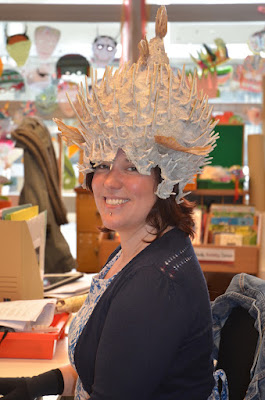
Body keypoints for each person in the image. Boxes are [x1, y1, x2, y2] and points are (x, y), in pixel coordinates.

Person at [0, 6, 219, 400]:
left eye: (132, 165)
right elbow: (96, 367)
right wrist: (35, 385)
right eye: (101, 163)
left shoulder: (153, 284)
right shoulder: (141, 246)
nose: (110, 181)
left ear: (165, 177)